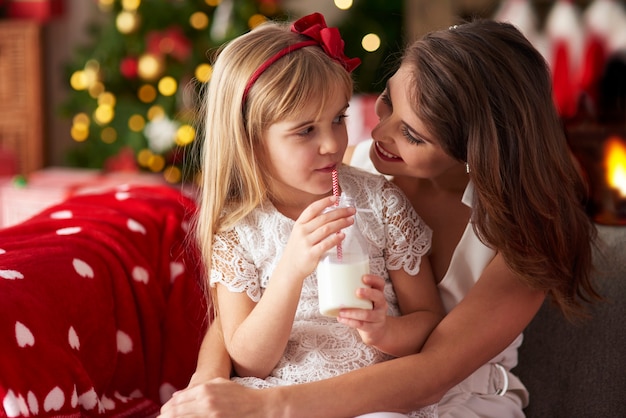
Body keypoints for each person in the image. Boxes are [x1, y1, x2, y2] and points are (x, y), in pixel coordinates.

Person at [160, 18, 599, 418]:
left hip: (431, 398)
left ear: (476, 154)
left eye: (412, 134)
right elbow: (249, 292)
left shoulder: (525, 248)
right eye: (387, 102)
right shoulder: (349, 172)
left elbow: (428, 376)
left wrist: (265, 406)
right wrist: (208, 381)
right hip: (306, 388)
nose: (378, 133)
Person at [176, 12, 444, 418]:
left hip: (370, 398)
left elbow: (428, 319)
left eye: (338, 119)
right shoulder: (240, 231)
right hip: (274, 399)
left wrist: (384, 330)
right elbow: (250, 361)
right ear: (250, 141)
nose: (331, 144)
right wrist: (290, 269)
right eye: (305, 131)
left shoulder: (379, 201)